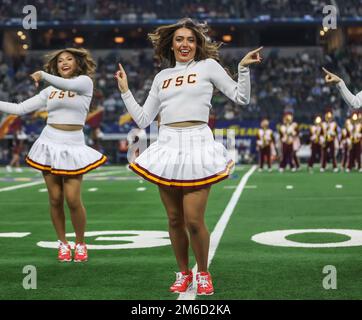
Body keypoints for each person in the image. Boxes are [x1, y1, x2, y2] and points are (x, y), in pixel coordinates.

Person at [115, 18, 261, 295]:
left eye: (191, 40)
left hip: (197, 143)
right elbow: (144, 119)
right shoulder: (161, 77)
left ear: (198, 44)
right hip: (167, 144)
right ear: (171, 44)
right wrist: (125, 92)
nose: (185, 44)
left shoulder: (208, 67)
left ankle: (203, 272)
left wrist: (242, 69)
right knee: (173, 219)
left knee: (194, 220)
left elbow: (241, 98)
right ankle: (183, 272)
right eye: (180, 39)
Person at [0, 48, 107, 262]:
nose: (64, 63)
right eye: (60, 61)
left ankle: (80, 243)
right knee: (55, 199)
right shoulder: (49, 92)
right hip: (49, 143)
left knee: (73, 199)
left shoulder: (84, 82)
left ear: (77, 63)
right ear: (56, 65)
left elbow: (67, 84)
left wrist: (42, 74)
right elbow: (20, 108)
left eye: (69, 59)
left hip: (74, 145)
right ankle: (63, 243)